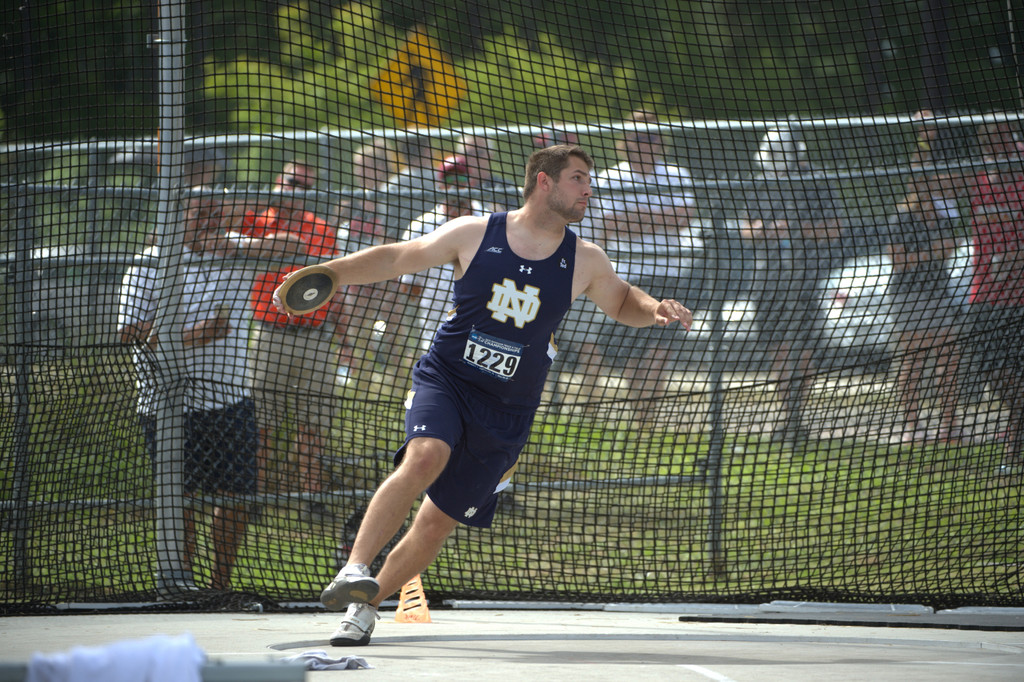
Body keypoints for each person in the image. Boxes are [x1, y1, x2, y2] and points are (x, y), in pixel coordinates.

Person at [273, 144, 692, 646]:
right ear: (544, 181)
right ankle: (353, 568)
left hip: (508, 408)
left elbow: (623, 300)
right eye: (579, 178)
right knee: (425, 456)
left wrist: (654, 308)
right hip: (448, 379)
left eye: (589, 179)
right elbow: (398, 257)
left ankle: (365, 606)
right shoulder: (475, 232)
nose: (589, 188)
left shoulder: (585, 258)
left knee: (435, 523)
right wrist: (334, 272)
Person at [118, 195, 305, 590]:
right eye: (199, 213)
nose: (210, 221)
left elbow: (297, 247)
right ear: (176, 216)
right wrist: (185, 337)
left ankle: (219, 584)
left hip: (230, 398)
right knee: (180, 495)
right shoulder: (149, 262)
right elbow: (127, 333)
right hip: (167, 402)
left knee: (235, 494)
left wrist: (234, 246)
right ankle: (179, 581)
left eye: (216, 213)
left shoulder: (232, 252)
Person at [240, 160, 346, 506]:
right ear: (277, 182)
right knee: (262, 421)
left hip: (316, 337)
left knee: (314, 422)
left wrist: (344, 339)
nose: (296, 191)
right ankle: (251, 495)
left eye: (303, 186)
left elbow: (334, 284)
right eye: (291, 182)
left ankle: (310, 498)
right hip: (270, 334)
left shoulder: (322, 229)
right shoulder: (256, 221)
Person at [584, 110, 699, 421]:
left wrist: (638, 219)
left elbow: (683, 219)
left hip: (671, 274)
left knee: (658, 355)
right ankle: (642, 422)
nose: (645, 143)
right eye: (638, 136)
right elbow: (611, 224)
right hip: (626, 277)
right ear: (626, 141)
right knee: (632, 357)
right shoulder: (610, 177)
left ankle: (647, 422)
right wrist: (661, 218)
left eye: (651, 136)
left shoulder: (677, 174)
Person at [737, 125, 847, 445]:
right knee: (777, 349)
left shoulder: (816, 181)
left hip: (804, 280)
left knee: (804, 351)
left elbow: (835, 228)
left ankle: (798, 414)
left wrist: (796, 229)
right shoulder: (760, 184)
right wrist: (763, 230)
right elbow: (745, 228)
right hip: (767, 280)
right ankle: (788, 415)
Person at [965, 121, 1024, 471]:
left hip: (1018, 300)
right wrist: (926, 140)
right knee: (995, 374)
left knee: (1015, 377)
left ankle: (1012, 455)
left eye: (999, 136)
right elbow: (924, 184)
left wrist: (1013, 260)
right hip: (983, 297)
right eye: (986, 138)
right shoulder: (979, 179)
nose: (992, 143)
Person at [885, 193, 964, 444]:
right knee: (913, 359)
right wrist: (931, 252)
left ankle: (950, 423)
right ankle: (912, 424)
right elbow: (897, 260)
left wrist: (942, 250)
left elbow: (951, 247)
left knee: (949, 356)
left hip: (939, 292)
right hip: (908, 295)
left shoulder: (945, 216)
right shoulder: (903, 218)